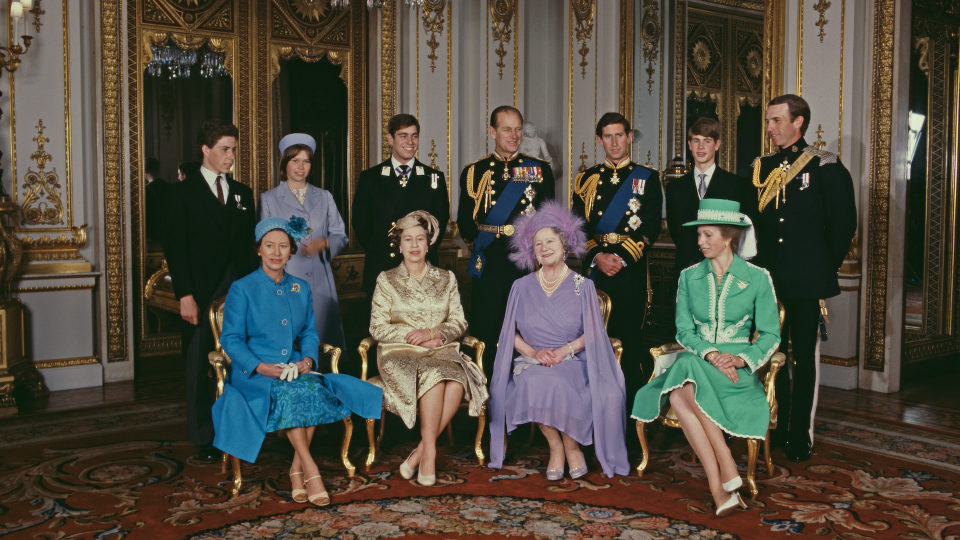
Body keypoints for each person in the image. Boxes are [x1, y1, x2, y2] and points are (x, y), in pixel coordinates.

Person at [213, 217, 382, 506]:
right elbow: (230, 340)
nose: (276, 252)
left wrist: (306, 359)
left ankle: (295, 469)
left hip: (292, 365)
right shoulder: (242, 288)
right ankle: (310, 469)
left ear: (291, 250)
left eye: (283, 246)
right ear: (259, 250)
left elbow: (307, 332)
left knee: (314, 389)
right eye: (269, 246)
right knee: (292, 395)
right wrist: (261, 367)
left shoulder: (300, 287)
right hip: (254, 373)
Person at [631, 198, 780, 517]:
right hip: (701, 359)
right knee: (688, 370)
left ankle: (721, 479)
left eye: (707, 235)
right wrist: (712, 353)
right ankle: (721, 479)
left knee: (681, 394)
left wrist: (740, 360)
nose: (700, 242)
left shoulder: (757, 277)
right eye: (699, 235)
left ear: (728, 237)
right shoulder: (689, 277)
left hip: (736, 372)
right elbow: (684, 331)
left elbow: (770, 335)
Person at [489, 201, 630, 480]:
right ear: (531, 250)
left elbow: (593, 332)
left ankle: (571, 445)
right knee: (535, 380)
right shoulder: (521, 286)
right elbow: (508, 334)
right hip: (533, 360)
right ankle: (556, 446)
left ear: (564, 244)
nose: (544, 248)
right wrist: (534, 353)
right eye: (538, 243)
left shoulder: (584, 285)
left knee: (560, 381)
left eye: (550, 241)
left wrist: (565, 351)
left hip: (573, 359)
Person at [752, 94, 857, 462]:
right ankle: (774, 426)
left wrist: (821, 268)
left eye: (777, 120)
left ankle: (800, 434)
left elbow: (844, 226)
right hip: (768, 279)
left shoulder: (825, 166)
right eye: (768, 121)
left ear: (798, 122)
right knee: (769, 353)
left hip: (806, 279)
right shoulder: (761, 168)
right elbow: (755, 225)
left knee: (803, 360)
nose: (770, 128)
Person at [369, 210, 488, 486]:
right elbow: (377, 328)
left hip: (439, 347)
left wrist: (435, 334)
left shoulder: (446, 278)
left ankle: (420, 452)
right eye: (408, 239)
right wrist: (417, 337)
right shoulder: (387, 279)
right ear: (399, 245)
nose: (414, 245)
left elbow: (459, 322)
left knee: (457, 381)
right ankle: (430, 454)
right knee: (436, 376)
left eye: (419, 239)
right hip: (399, 352)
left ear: (428, 242)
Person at [165, 119, 258, 461]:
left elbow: (249, 246)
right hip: (200, 290)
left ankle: (241, 428)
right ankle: (203, 436)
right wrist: (184, 295)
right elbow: (175, 248)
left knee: (242, 359)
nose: (230, 156)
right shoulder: (182, 194)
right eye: (224, 149)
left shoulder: (242, 193)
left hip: (239, 286)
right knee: (198, 364)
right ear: (205, 150)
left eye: (233, 149)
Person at [457, 106, 555, 378]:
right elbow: (466, 220)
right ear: (492, 132)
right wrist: (479, 246)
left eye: (518, 129)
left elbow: (548, 219)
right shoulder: (474, 171)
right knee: (487, 329)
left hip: (524, 262)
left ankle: (524, 397)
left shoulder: (540, 170)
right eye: (506, 129)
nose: (514, 135)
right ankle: (486, 396)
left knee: (526, 330)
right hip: (489, 262)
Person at [573, 112, 661, 397]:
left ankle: (627, 419)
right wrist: (597, 256)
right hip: (596, 272)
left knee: (630, 343)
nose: (614, 142)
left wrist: (621, 258)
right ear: (599, 140)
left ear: (629, 137)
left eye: (619, 135)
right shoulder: (586, 180)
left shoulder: (647, 177)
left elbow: (650, 226)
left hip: (630, 272)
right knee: (594, 342)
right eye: (608, 136)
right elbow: (577, 226)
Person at [259, 133, 349, 352]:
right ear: (285, 164)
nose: (301, 167)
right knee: (290, 347)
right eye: (295, 160)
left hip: (320, 281)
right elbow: (264, 243)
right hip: (285, 281)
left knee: (323, 345)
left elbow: (341, 236)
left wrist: (325, 243)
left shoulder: (324, 196)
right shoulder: (269, 199)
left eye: (306, 161)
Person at [353, 114, 450, 300]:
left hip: (422, 268)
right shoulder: (370, 178)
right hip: (383, 265)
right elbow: (360, 223)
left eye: (414, 136)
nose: (410, 141)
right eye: (403, 135)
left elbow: (440, 222)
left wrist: (417, 254)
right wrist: (382, 250)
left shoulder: (434, 178)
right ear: (390, 138)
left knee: (423, 327)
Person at [666, 117, 756, 274]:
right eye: (696, 141)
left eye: (707, 141)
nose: (701, 147)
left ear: (717, 145)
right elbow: (676, 231)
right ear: (689, 145)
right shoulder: (674, 188)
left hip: (725, 269)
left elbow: (742, 231)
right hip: (687, 270)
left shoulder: (738, 185)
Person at [144, 156, 171, 247]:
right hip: (169, 232)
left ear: (146, 171)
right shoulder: (169, 187)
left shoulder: (147, 189)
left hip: (153, 235)